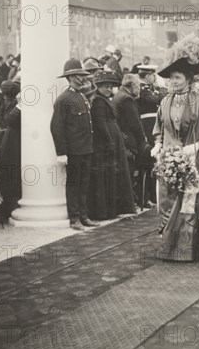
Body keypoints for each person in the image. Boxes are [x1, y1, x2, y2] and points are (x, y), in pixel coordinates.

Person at [152, 35, 199, 262]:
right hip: (169, 160)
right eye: (171, 78)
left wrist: (197, 146)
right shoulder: (164, 102)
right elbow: (159, 128)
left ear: (188, 78)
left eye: (178, 77)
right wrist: (157, 146)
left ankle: (187, 249)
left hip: (192, 160)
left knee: (190, 203)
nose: (173, 81)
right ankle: (168, 247)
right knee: (169, 202)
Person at [50, 59, 98, 230]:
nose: (83, 78)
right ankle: (74, 218)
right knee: (73, 185)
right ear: (71, 77)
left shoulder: (81, 96)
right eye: (79, 75)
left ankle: (84, 216)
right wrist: (61, 153)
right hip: (73, 150)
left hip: (85, 148)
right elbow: (57, 127)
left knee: (84, 184)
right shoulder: (64, 99)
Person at [88, 70, 136, 221]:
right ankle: (105, 211)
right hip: (104, 143)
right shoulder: (98, 102)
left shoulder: (104, 100)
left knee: (112, 175)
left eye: (110, 86)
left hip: (112, 139)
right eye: (105, 86)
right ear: (98, 87)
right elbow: (100, 124)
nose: (108, 89)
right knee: (106, 176)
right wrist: (109, 141)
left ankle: (113, 209)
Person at [112, 73, 152, 209]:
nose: (140, 88)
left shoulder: (119, 96)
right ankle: (141, 200)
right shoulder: (127, 99)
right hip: (129, 141)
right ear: (132, 85)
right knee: (139, 170)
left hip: (123, 139)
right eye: (138, 85)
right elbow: (135, 124)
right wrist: (143, 142)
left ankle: (138, 200)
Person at [134, 63, 163, 208]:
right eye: (153, 75)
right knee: (147, 164)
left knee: (153, 163)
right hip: (147, 127)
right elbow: (156, 100)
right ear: (147, 75)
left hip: (152, 126)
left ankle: (151, 196)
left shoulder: (150, 89)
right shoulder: (142, 89)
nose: (154, 78)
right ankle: (145, 197)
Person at [0, 80, 22, 222]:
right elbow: (9, 119)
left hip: (13, 144)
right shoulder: (13, 104)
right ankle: (8, 211)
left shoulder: (12, 103)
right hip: (12, 145)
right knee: (11, 179)